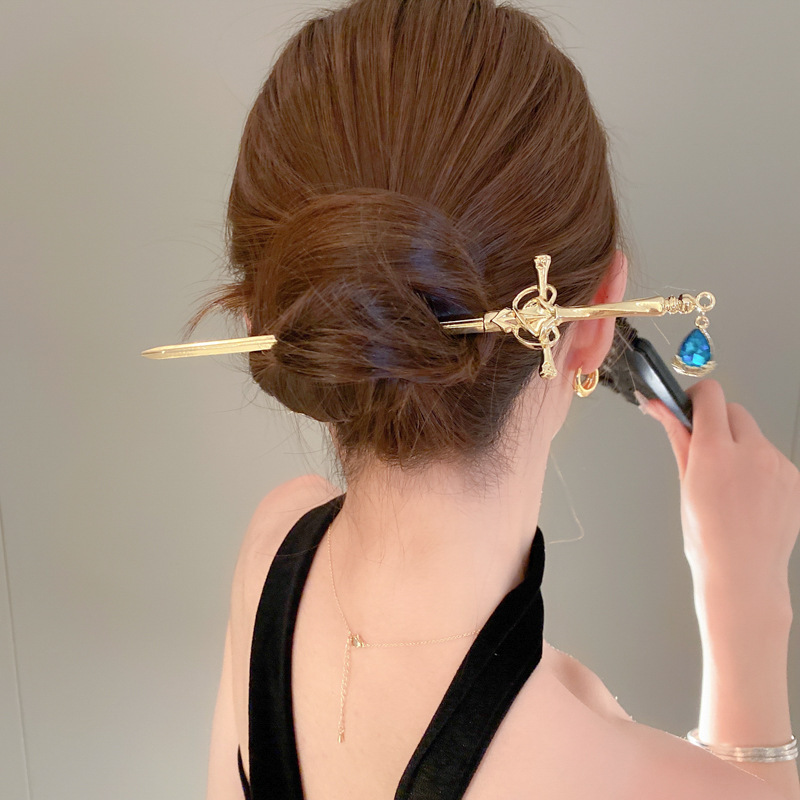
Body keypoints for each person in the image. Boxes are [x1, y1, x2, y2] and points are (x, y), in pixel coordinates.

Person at [195, 1, 799, 797]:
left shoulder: (272, 551)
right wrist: (746, 601)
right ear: (596, 322)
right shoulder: (618, 777)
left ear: (265, 320)